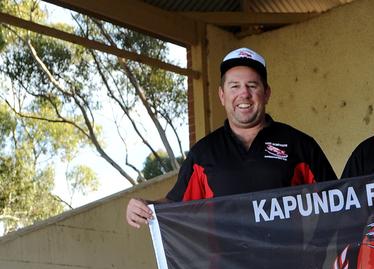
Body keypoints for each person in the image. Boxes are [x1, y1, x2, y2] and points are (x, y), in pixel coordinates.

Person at [126, 47, 335, 228]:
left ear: (267, 93)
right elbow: (175, 205)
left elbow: (339, 201)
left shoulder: (299, 145)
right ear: (222, 95)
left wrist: (317, 251)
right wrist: (144, 207)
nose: (244, 94)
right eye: (234, 86)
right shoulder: (204, 153)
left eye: (252, 86)